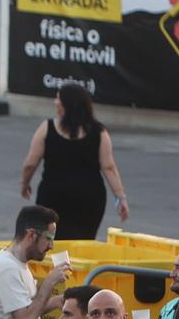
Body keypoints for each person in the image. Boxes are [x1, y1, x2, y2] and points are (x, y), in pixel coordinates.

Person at [19, 82, 130, 240]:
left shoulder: (47, 128)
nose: (55, 102)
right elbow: (109, 167)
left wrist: (25, 183)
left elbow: (30, 163)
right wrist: (121, 197)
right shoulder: (99, 132)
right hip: (89, 198)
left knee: (51, 242)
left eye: (58, 98)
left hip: (53, 196)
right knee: (83, 241)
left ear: (65, 104)